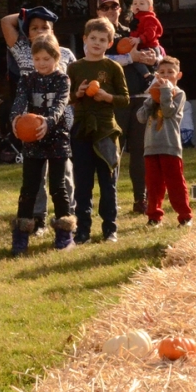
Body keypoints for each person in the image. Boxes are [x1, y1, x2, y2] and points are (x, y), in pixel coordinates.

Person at [0, 6, 76, 233]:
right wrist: (27, 13)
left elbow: (67, 92)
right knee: (35, 178)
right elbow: (6, 21)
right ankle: (38, 219)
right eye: (34, 27)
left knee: (63, 177)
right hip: (32, 122)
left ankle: (68, 217)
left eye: (46, 27)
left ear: (54, 31)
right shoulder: (23, 51)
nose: (41, 30)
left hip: (59, 122)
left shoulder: (66, 54)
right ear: (27, 32)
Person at [68, 17, 130, 244]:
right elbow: (66, 99)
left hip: (106, 130)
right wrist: (79, 93)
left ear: (110, 43)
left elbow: (125, 99)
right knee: (83, 183)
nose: (96, 43)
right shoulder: (74, 68)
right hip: (82, 130)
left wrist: (107, 97)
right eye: (92, 38)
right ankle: (82, 230)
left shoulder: (113, 67)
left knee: (108, 182)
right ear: (85, 39)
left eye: (102, 39)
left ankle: (110, 229)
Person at [95, 0, 156, 214]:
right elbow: (98, 59)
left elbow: (155, 48)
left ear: (121, 9)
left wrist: (153, 57)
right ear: (98, 11)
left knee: (140, 151)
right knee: (113, 152)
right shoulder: (95, 34)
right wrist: (131, 58)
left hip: (139, 96)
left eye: (115, 7)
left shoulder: (132, 30)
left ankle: (141, 199)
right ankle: (110, 198)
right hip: (113, 100)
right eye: (106, 7)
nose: (111, 11)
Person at [136, 56, 192, 227]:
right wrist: (152, 98)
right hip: (151, 147)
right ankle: (154, 216)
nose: (165, 76)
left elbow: (168, 112)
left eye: (170, 72)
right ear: (156, 75)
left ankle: (185, 216)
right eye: (161, 73)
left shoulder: (178, 93)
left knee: (175, 182)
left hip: (170, 146)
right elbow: (140, 117)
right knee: (153, 185)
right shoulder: (154, 94)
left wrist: (166, 92)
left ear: (178, 75)